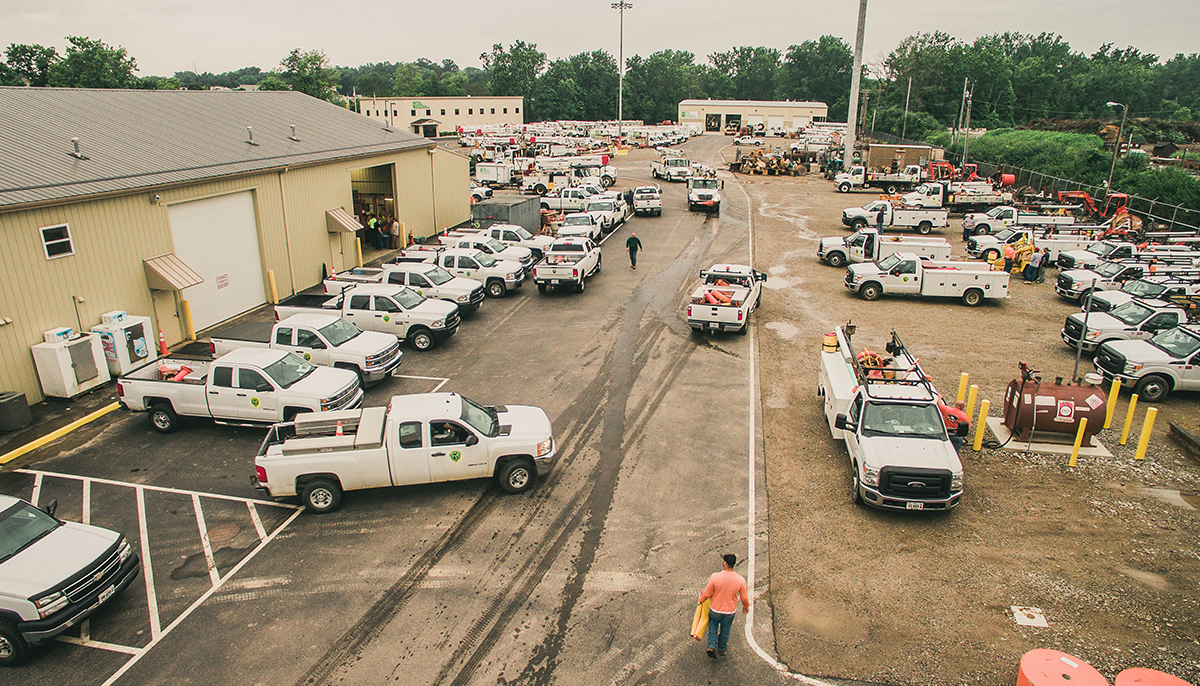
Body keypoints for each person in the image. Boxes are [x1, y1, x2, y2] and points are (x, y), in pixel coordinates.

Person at [698, 553, 750, 659]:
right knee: (725, 629)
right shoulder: (740, 580)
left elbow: (708, 593)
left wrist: (701, 600)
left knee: (713, 626)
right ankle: (722, 649)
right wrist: (746, 606)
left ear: (725, 563)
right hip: (729, 611)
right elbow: (744, 598)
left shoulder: (715, 577)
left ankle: (712, 645)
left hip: (715, 609)